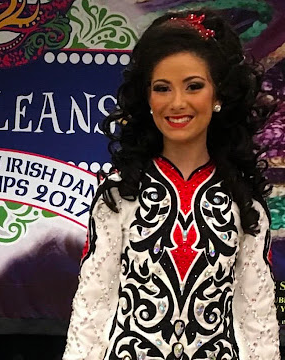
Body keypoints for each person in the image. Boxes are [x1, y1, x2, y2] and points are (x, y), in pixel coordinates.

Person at [63, 10, 279, 360]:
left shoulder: (245, 204)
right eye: (162, 88)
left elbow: (257, 321)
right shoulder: (120, 195)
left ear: (218, 95)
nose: (177, 102)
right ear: (147, 99)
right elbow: (91, 309)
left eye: (193, 86)